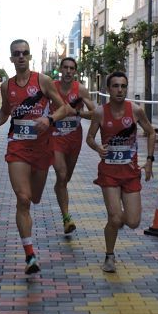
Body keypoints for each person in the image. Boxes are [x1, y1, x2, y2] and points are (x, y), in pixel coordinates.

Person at [0, 40, 69, 276]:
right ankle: (30, 254)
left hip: (42, 147)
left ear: (29, 56)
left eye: (24, 53)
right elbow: (5, 110)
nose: (21, 57)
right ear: (11, 59)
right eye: (16, 54)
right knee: (23, 198)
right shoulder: (6, 86)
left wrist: (49, 120)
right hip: (18, 146)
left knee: (35, 197)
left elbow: (63, 108)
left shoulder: (42, 80)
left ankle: (30, 244)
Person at [86, 71, 156, 273]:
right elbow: (89, 138)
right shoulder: (100, 112)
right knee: (115, 218)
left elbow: (151, 132)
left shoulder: (135, 110)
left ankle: (116, 220)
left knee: (133, 222)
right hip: (108, 172)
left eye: (123, 86)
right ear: (109, 89)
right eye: (115, 86)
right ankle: (109, 255)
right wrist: (98, 147)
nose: (120, 90)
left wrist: (149, 160)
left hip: (130, 172)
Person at [52, 56, 96, 235]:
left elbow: (95, 114)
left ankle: (59, 188)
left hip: (74, 138)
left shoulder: (81, 90)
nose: (68, 71)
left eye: (72, 68)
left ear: (75, 72)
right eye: (65, 68)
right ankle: (66, 218)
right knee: (61, 174)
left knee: (65, 179)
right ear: (60, 69)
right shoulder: (51, 87)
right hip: (54, 136)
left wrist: (77, 110)